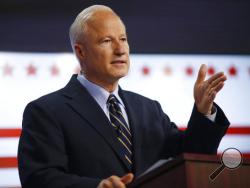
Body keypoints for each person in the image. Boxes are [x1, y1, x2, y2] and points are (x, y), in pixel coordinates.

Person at [18, 5, 230, 188]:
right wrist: (96, 186)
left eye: (123, 39)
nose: (120, 49)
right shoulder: (46, 111)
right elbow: (39, 179)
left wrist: (203, 113)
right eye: (107, 41)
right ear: (81, 52)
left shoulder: (149, 109)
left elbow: (189, 158)